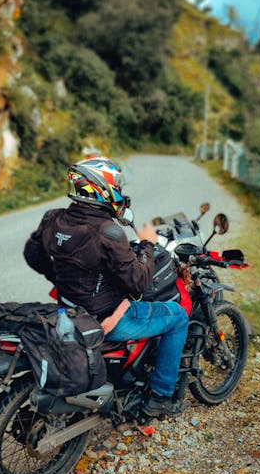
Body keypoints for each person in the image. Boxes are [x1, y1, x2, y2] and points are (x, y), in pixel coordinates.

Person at [23, 156, 189, 417]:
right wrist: (147, 243)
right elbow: (139, 282)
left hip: (70, 313)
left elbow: (33, 255)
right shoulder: (108, 231)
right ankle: (161, 397)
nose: (120, 190)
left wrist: (61, 279)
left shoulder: (53, 218)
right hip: (108, 319)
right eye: (117, 185)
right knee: (178, 317)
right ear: (101, 187)